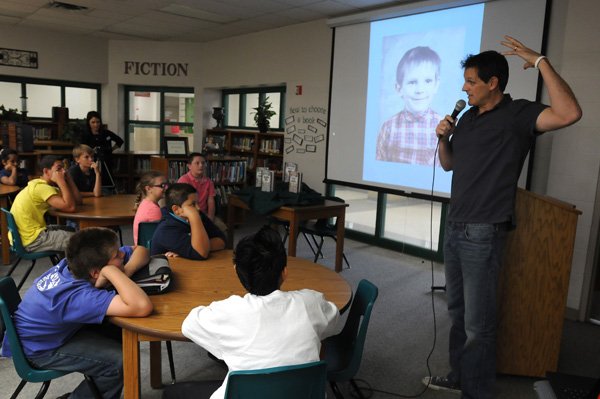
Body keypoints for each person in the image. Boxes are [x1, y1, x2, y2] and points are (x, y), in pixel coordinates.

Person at [424, 36, 582, 399]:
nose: (464, 88)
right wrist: (443, 138)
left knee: (479, 325)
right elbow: (449, 166)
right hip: (455, 225)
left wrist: (541, 60)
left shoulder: (519, 114)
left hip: (483, 232)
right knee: (458, 314)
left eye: (471, 82)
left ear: (492, 83)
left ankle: (476, 392)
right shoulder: (465, 118)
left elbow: (570, 113)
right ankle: (458, 377)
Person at [181, 225, 339, 399]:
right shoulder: (311, 302)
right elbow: (333, 321)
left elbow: (188, 325)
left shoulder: (228, 312)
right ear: (284, 272)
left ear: (236, 272)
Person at [0, 227, 153, 399]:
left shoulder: (73, 265)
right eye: (117, 256)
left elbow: (141, 250)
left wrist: (126, 270)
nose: (122, 256)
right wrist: (112, 272)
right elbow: (141, 306)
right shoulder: (79, 297)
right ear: (96, 272)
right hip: (39, 350)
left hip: (41, 334)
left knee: (120, 332)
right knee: (119, 362)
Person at [376, 46, 443, 166]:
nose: (420, 90)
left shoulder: (443, 126)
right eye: (412, 82)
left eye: (427, 81)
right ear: (399, 88)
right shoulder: (388, 127)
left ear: (436, 85)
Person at [10, 155, 83, 252]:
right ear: (46, 171)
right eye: (59, 169)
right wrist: (61, 181)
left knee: (73, 230)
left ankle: (66, 264)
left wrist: (69, 179)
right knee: (82, 241)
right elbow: (70, 207)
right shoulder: (42, 188)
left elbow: (78, 201)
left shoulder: (44, 186)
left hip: (28, 235)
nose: (63, 171)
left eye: (64, 169)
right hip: (34, 239)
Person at [150, 183, 225, 259]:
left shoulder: (198, 214)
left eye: (197, 203)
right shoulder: (166, 230)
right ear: (176, 209)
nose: (198, 208)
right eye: (192, 204)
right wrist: (194, 217)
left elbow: (222, 241)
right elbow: (201, 253)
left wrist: (191, 249)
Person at [81, 111, 124, 187]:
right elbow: (82, 149)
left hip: (106, 160)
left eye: (98, 122)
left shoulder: (106, 133)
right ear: (89, 123)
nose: (96, 125)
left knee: (108, 181)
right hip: (92, 162)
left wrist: (111, 149)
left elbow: (120, 141)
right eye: (93, 122)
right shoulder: (85, 135)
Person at [177, 152, 216, 222]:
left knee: (221, 229)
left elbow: (211, 200)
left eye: (203, 163)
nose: (201, 165)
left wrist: (210, 217)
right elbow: (180, 202)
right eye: (197, 163)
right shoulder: (183, 180)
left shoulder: (208, 181)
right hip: (188, 215)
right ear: (189, 166)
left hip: (203, 214)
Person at [132, 170, 167, 245]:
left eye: (166, 185)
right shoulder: (153, 209)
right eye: (162, 186)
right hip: (149, 252)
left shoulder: (146, 202)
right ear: (148, 189)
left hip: (143, 249)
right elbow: (162, 236)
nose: (166, 188)